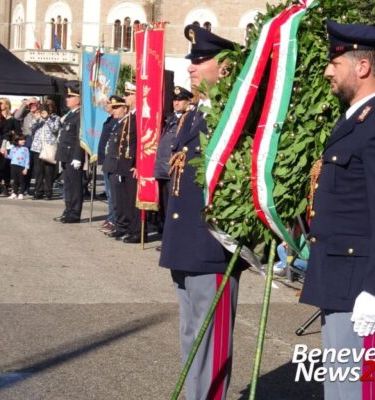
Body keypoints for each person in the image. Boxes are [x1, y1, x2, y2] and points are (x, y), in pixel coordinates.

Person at [298, 20, 375, 400]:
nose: (329, 71)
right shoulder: (356, 121)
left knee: (361, 392)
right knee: (341, 391)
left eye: (336, 62)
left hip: (362, 288)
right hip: (340, 281)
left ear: (362, 67)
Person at [159, 24, 246, 400]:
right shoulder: (194, 115)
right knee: (191, 334)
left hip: (212, 247)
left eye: (200, 61)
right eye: (191, 61)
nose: (191, 68)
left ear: (224, 68)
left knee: (211, 338)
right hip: (185, 242)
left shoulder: (231, 116)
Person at [154, 85, 193, 248]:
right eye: (175, 100)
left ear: (187, 102)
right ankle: (165, 237)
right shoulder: (170, 119)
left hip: (174, 168)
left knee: (173, 207)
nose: (176, 103)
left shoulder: (188, 119)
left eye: (180, 100)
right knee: (163, 205)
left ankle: (172, 241)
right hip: (163, 168)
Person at [101, 96, 138, 241]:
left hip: (124, 166)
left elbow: (133, 145)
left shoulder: (130, 122)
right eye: (113, 107)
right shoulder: (119, 123)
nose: (113, 110)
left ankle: (130, 229)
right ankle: (121, 226)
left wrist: (134, 164)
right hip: (114, 165)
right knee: (117, 200)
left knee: (126, 201)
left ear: (125, 108)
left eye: (117, 108)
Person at [54, 81, 84, 223]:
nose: (67, 99)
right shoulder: (70, 115)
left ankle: (74, 213)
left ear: (78, 99)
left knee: (74, 187)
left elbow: (80, 137)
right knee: (68, 186)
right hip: (66, 155)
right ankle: (68, 210)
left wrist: (78, 156)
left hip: (73, 156)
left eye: (70, 97)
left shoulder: (80, 115)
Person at [30, 103, 60, 200]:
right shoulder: (38, 118)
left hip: (49, 147)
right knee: (38, 172)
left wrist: (47, 119)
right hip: (38, 148)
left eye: (46, 110)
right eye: (41, 110)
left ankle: (48, 192)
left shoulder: (55, 118)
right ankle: (38, 191)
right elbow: (31, 127)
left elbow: (55, 129)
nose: (43, 112)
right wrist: (37, 119)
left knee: (49, 171)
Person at [0, 98, 21, 196]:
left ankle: (6, 186)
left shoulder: (12, 118)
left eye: (1, 103)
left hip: (8, 145)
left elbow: (18, 131)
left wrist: (12, 133)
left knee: (7, 165)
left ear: (6, 105)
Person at [6, 134, 30, 200]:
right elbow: (10, 156)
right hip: (13, 165)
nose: (23, 141)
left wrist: (26, 168)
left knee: (22, 180)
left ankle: (21, 193)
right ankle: (14, 193)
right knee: (14, 180)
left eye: (24, 140)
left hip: (22, 166)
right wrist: (5, 154)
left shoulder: (25, 149)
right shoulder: (13, 147)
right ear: (17, 140)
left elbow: (27, 159)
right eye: (21, 140)